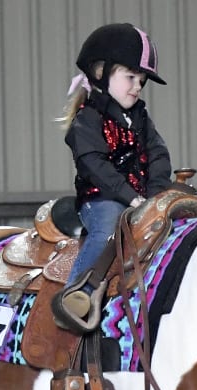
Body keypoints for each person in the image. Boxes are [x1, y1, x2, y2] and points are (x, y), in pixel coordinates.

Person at [52, 22, 173, 332]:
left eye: (142, 81)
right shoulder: (87, 119)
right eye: (130, 77)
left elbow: (158, 154)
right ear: (100, 72)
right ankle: (79, 294)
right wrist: (129, 196)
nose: (137, 86)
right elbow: (95, 165)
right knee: (108, 229)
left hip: (140, 198)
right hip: (102, 199)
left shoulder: (141, 118)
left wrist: (157, 196)